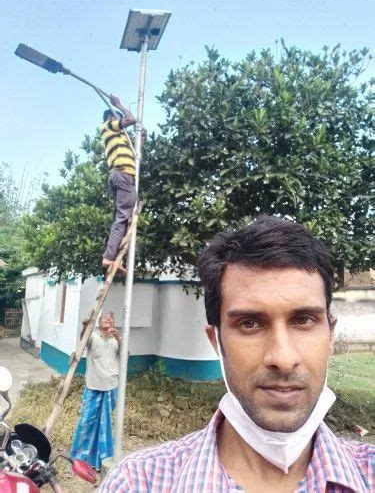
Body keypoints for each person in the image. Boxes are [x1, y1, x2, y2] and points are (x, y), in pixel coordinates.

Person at [99, 216, 374, 492]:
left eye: (303, 320)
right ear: (216, 341)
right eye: (250, 324)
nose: (283, 358)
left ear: (330, 335)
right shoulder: (136, 483)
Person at [70, 312, 121, 471]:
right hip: (93, 387)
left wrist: (119, 337)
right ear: (99, 322)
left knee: (104, 426)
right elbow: (83, 340)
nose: (108, 318)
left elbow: (126, 355)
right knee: (86, 422)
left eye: (111, 317)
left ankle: (102, 461)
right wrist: (85, 326)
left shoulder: (116, 340)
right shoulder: (93, 337)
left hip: (111, 386)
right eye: (105, 316)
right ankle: (79, 460)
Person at [101, 95, 146, 273]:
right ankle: (109, 258)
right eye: (118, 118)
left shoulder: (120, 139)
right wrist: (118, 105)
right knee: (122, 219)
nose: (121, 121)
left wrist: (142, 138)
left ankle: (110, 257)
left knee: (119, 219)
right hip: (123, 176)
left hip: (120, 176)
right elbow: (132, 119)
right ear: (112, 118)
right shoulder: (108, 127)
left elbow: (136, 153)